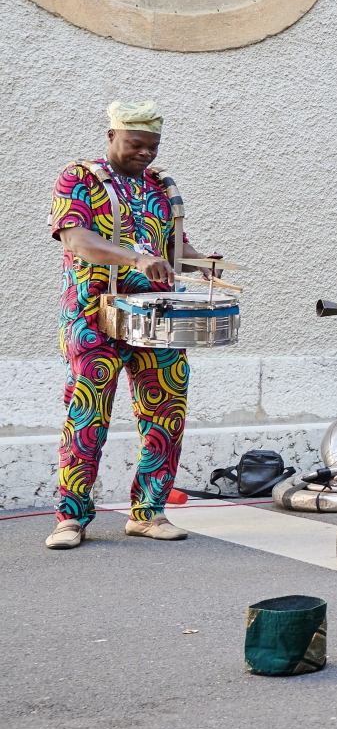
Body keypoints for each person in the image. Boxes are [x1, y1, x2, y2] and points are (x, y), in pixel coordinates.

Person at [44, 101, 220, 550]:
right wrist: (136, 258)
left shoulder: (160, 188)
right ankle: (71, 518)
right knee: (87, 416)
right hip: (93, 317)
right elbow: (78, 240)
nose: (145, 154)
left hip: (158, 317)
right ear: (111, 137)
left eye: (153, 146)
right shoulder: (78, 178)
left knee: (166, 414)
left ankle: (148, 513)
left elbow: (173, 246)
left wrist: (201, 262)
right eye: (135, 144)